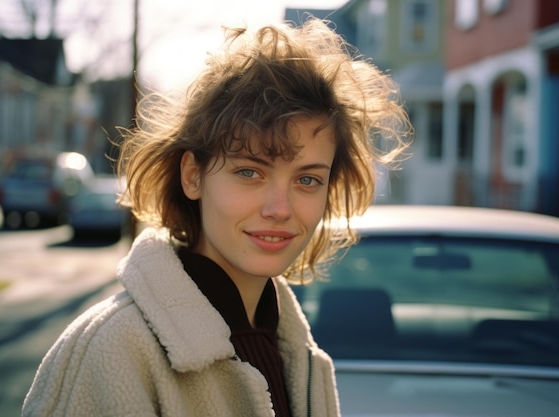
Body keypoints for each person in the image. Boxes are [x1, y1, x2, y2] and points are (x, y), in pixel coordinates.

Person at [22, 17, 411, 417]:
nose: (280, 208)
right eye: (249, 172)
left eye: (308, 179)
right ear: (193, 176)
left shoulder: (302, 358)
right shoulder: (114, 349)